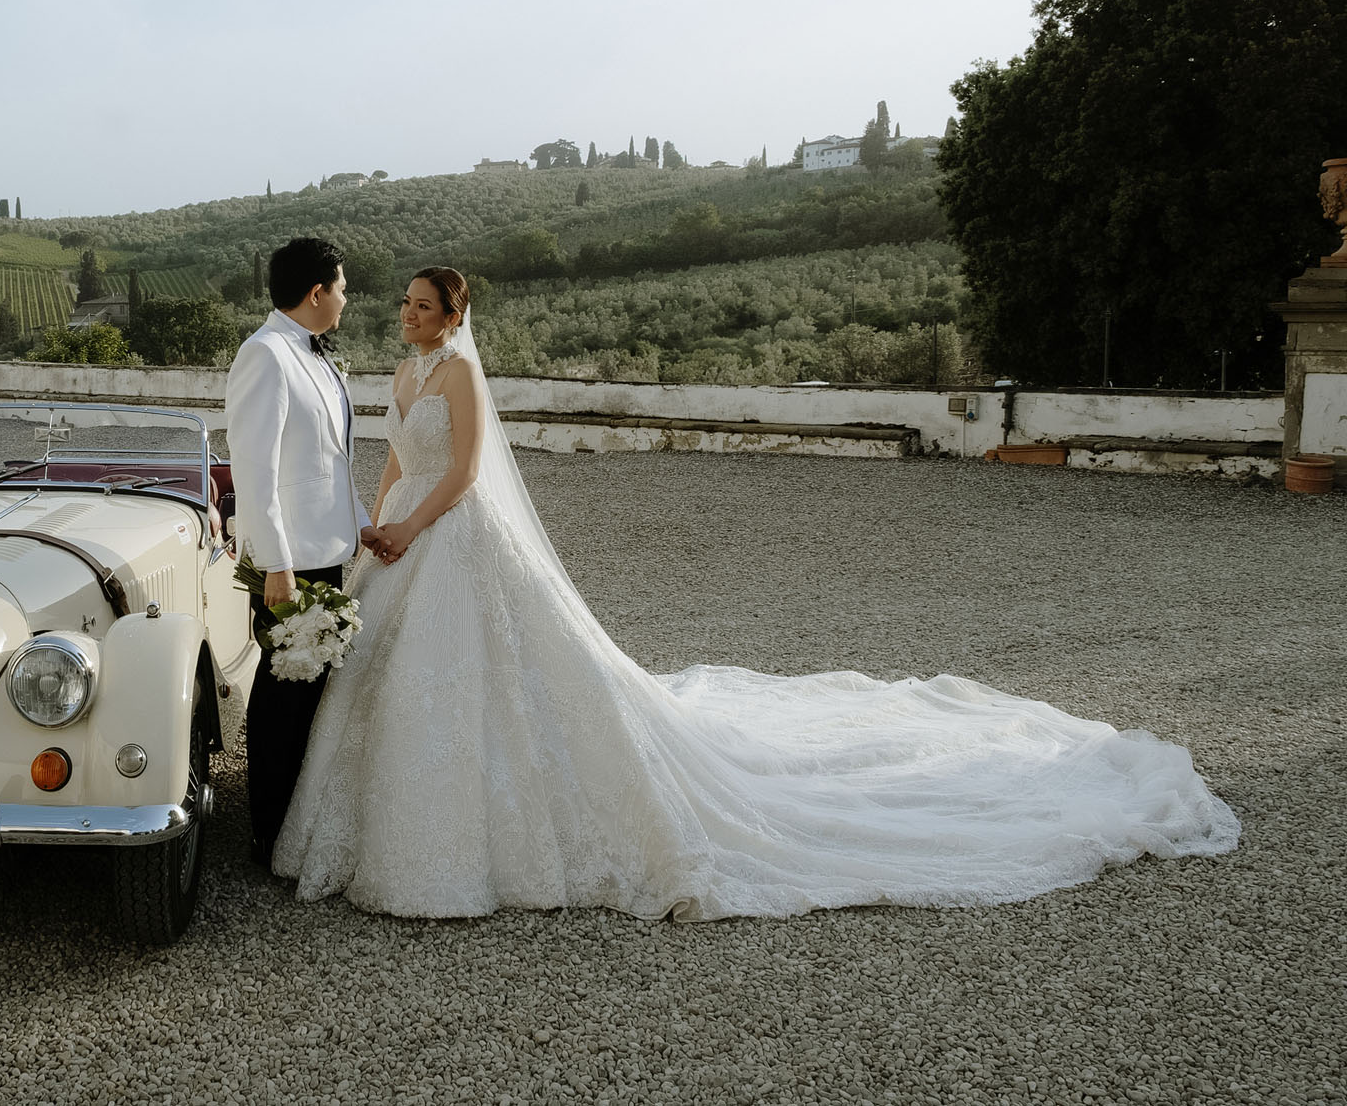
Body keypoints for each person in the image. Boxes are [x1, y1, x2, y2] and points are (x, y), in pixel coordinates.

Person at [272, 267, 1240, 920]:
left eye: (421, 306)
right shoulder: (405, 372)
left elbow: (464, 474)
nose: (406, 314)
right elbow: (398, 456)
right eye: (403, 304)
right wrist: (376, 518)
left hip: (452, 536)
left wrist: (410, 524)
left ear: (453, 316)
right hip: (398, 537)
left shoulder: (462, 377)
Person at [223, 237, 380, 866]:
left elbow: (327, 463)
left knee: (309, 693)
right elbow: (255, 472)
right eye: (342, 287)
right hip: (289, 562)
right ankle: (267, 833)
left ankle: (294, 821)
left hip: (325, 550)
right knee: (282, 695)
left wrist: (363, 524)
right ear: (317, 292)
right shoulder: (265, 354)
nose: (346, 298)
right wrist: (278, 566)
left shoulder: (311, 354)